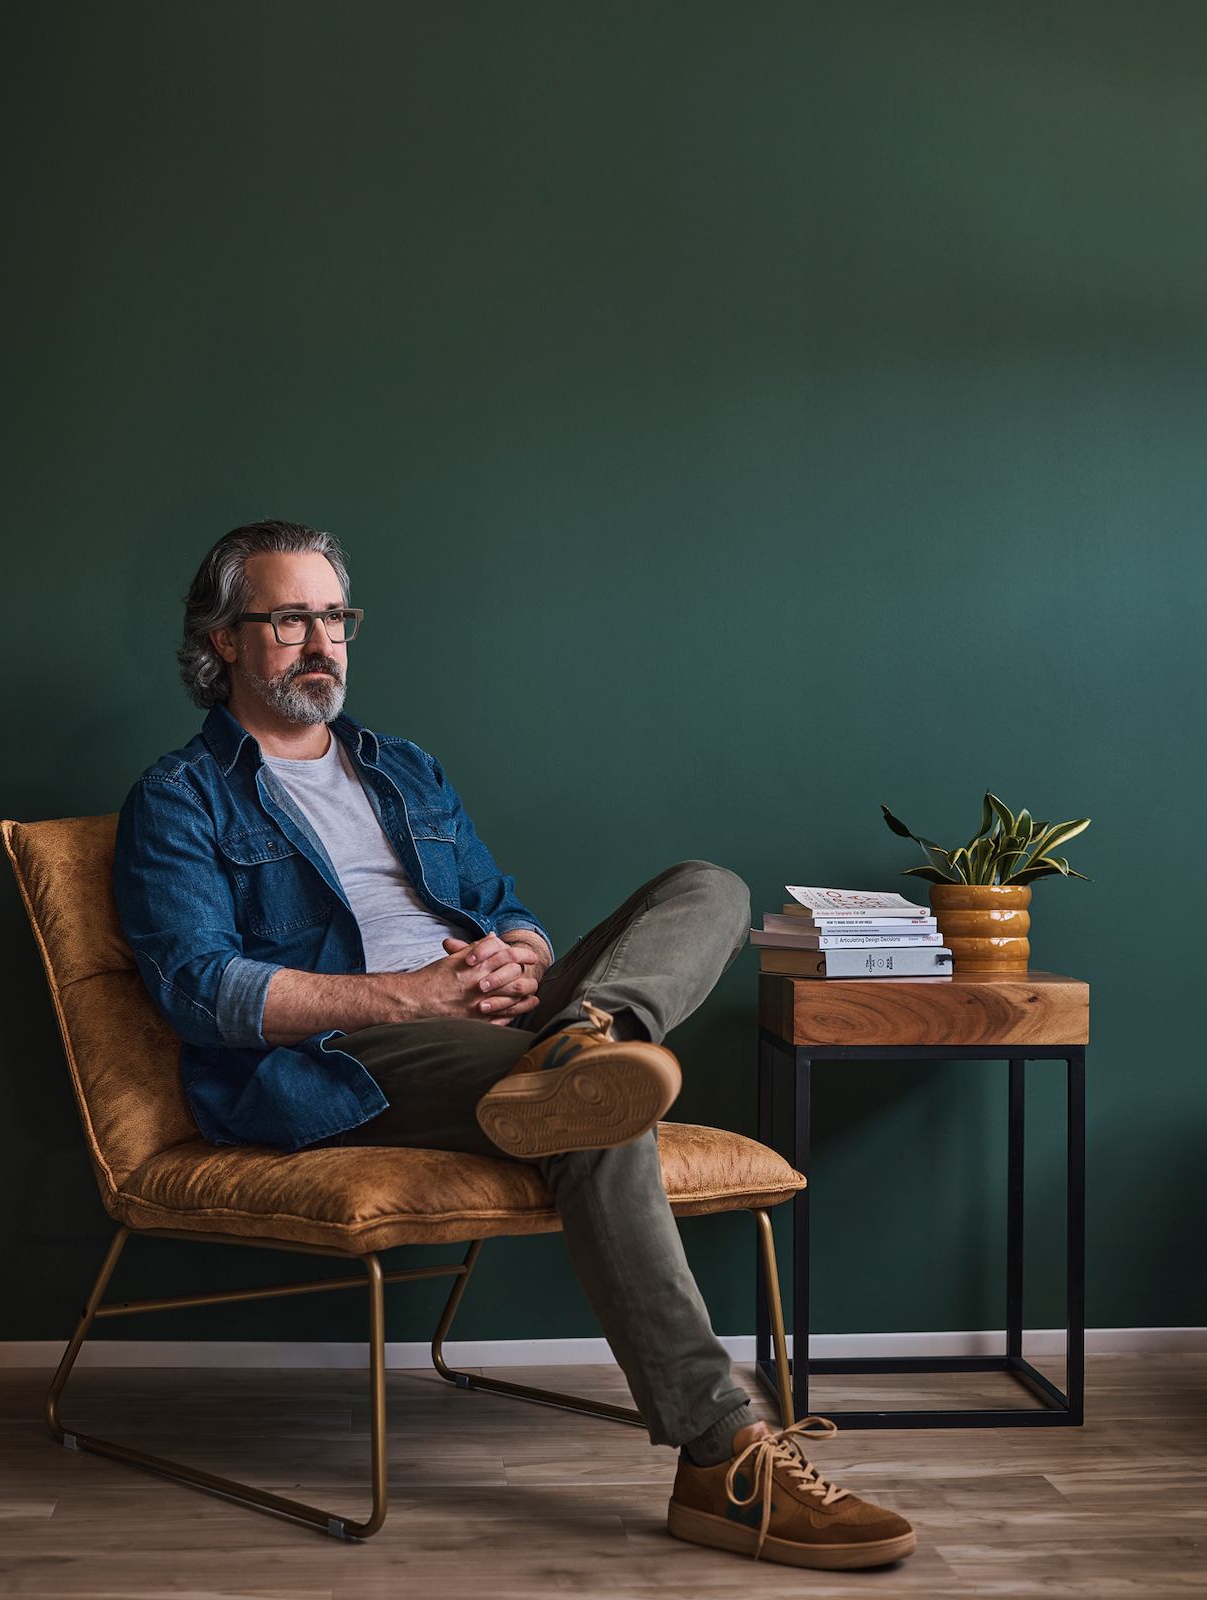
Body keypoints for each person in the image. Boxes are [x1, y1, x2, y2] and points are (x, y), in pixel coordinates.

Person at [112, 518, 916, 1572]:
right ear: (223, 639)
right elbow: (202, 991)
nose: (322, 642)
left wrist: (524, 958)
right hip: (357, 1053)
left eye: (335, 616)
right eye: (289, 618)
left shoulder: (400, 767)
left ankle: (587, 1035)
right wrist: (413, 994)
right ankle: (726, 1453)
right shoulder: (178, 799)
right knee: (599, 1109)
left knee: (706, 888)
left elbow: (503, 903)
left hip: (506, 1021)